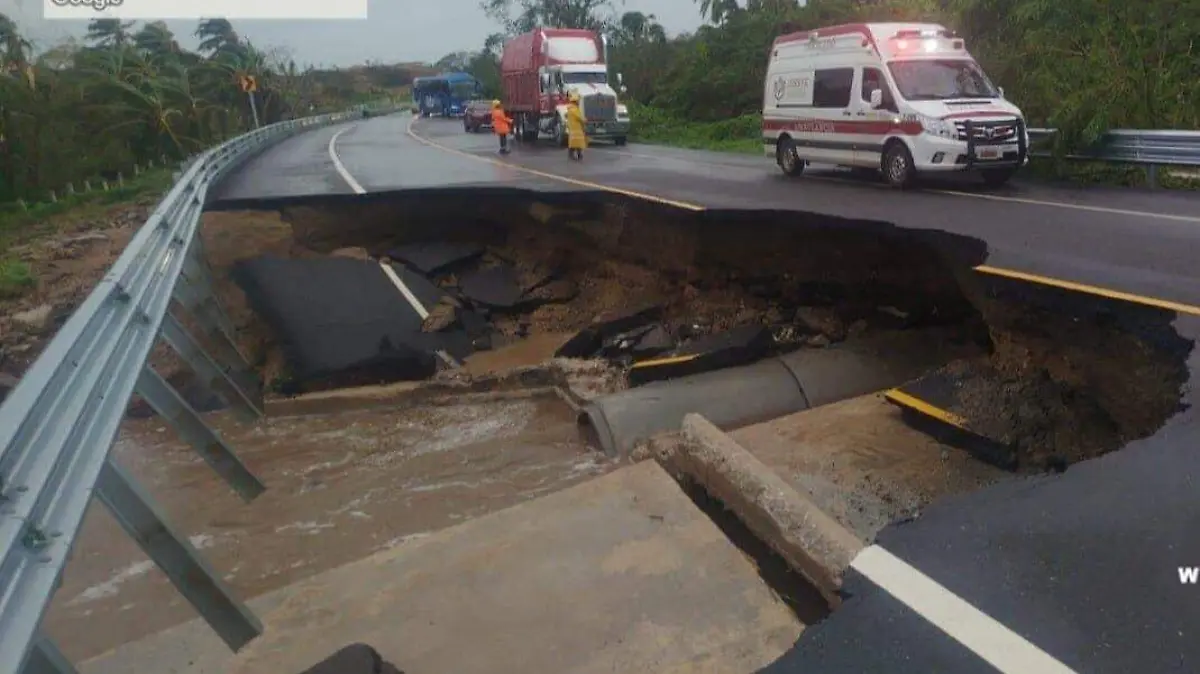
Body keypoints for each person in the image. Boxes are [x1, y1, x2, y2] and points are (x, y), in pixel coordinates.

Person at [565, 92, 587, 160]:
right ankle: (579, 155)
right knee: (578, 143)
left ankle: (572, 155)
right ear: (575, 102)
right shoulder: (575, 109)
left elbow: (566, 115)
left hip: (572, 129)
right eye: (578, 101)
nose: (578, 102)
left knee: (573, 143)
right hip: (577, 129)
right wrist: (585, 120)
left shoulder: (570, 109)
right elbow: (580, 118)